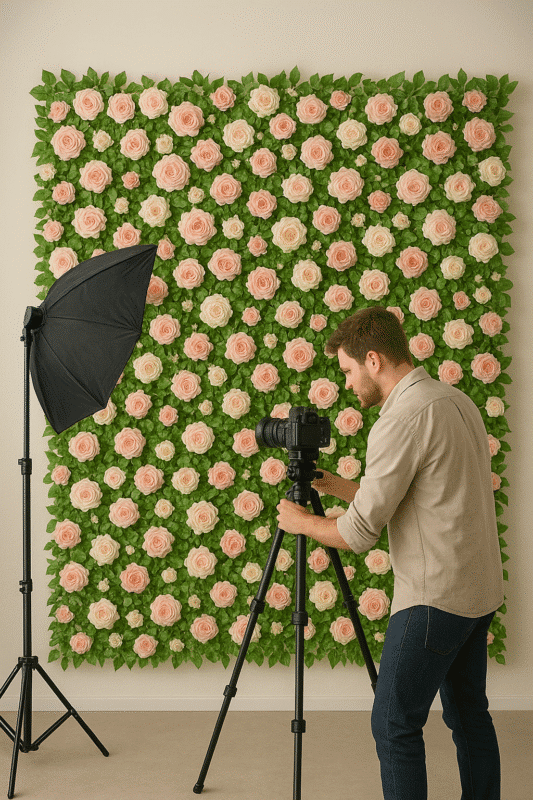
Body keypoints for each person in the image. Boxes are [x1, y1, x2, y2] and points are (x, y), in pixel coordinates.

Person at [276, 305, 505, 800]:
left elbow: (360, 534)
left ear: (374, 360)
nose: (348, 382)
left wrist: (301, 522)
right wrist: (340, 488)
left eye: (349, 370)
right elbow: (429, 492)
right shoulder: (455, 400)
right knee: (470, 716)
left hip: (434, 599)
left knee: (394, 725)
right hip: (478, 591)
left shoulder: (401, 418)